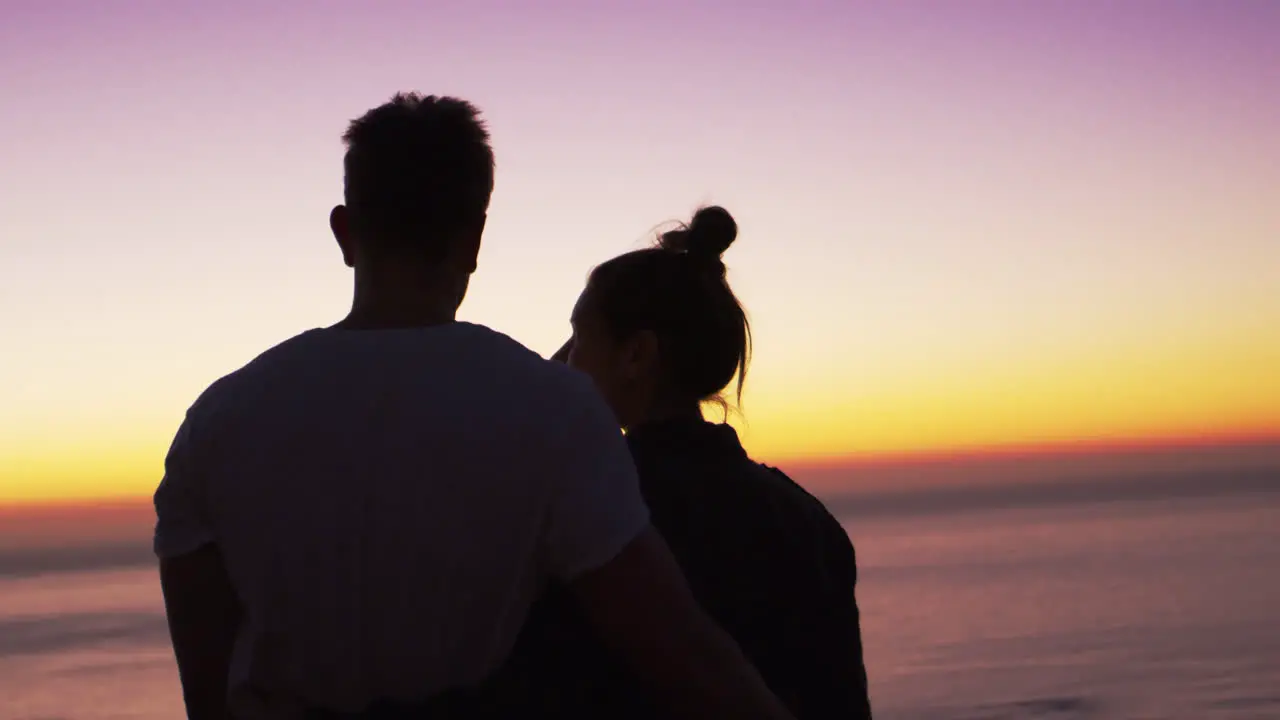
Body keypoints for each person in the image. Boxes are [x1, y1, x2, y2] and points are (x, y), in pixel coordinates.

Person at [153, 93, 797, 720]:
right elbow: (684, 658)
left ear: (345, 233)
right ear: (474, 240)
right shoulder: (559, 414)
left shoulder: (215, 425)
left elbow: (207, 693)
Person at [486, 206, 873, 719]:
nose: (560, 362)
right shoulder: (807, 520)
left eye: (579, 337)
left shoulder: (587, 512)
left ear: (636, 356)